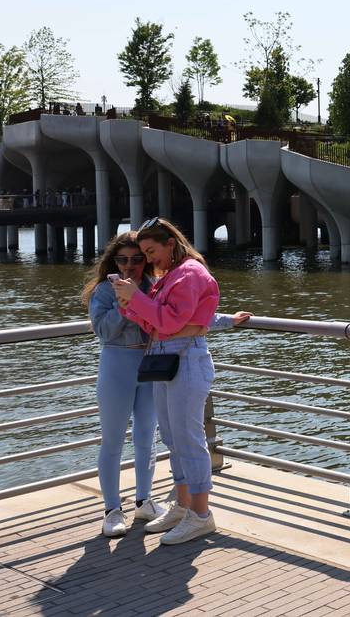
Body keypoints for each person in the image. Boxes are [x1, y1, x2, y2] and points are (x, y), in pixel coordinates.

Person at [85, 231, 250, 538]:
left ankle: (144, 500)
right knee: (113, 440)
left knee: (149, 437)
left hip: (151, 364)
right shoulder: (105, 291)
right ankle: (111, 510)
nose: (131, 265)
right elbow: (104, 332)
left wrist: (227, 320)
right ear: (113, 261)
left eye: (139, 258)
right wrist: (125, 302)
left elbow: (181, 316)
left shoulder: (153, 285)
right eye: (123, 259)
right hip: (117, 364)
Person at [113, 217, 225, 545]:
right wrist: (128, 302)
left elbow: (169, 320)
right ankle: (184, 504)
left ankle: (201, 514)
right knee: (173, 438)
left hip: (186, 361)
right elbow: (156, 324)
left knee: (188, 439)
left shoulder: (190, 273)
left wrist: (138, 300)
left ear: (170, 244)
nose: (149, 260)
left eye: (151, 251)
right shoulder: (170, 277)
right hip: (168, 360)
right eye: (145, 254)